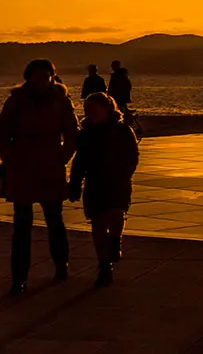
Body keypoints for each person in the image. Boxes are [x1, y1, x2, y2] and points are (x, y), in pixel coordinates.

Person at [0, 59, 79, 296]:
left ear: (52, 77)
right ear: (28, 77)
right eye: (36, 76)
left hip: (50, 169)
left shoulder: (61, 101)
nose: (41, 81)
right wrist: (11, 160)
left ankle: (61, 264)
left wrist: (60, 158)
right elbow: (2, 134)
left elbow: (72, 134)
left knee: (55, 220)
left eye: (46, 76)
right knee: (22, 226)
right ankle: (19, 278)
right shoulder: (16, 101)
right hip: (21, 169)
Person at [68, 92, 139, 287]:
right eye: (87, 110)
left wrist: (124, 175)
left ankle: (115, 240)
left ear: (107, 108)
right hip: (94, 183)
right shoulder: (85, 134)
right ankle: (104, 266)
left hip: (118, 182)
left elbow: (132, 157)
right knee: (98, 224)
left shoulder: (123, 131)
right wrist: (74, 184)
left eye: (93, 109)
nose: (90, 113)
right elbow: (79, 161)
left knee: (116, 215)